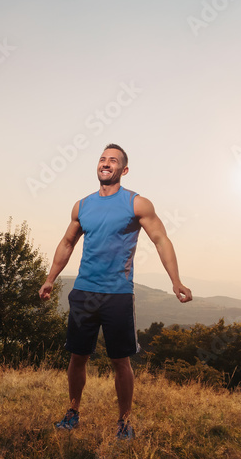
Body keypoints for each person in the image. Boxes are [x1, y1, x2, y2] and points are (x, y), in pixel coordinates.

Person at [38, 144, 192, 439]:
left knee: (120, 361)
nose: (106, 163)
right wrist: (50, 278)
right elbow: (67, 243)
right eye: (102, 159)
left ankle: (123, 422)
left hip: (118, 295)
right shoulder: (82, 206)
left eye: (113, 161)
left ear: (124, 170)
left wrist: (176, 281)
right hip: (83, 292)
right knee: (77, 357)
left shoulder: (137, 204)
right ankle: (72, 413)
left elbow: (161, 239)